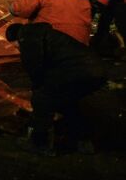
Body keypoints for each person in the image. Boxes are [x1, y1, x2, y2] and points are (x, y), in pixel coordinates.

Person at [6, 22, 105, 155]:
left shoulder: (28, 39)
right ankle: (82, 141)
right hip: (97, 71)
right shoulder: (44, 34)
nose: (16, 48)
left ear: (15, 38)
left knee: (42, 99)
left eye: (14, 44)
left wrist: (37, 89)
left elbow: (35, 68)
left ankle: (40, 143)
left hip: (76, 71)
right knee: (67, 103)